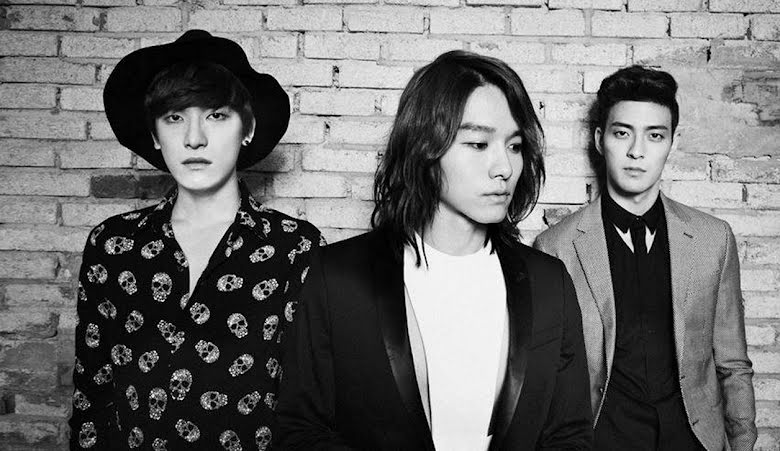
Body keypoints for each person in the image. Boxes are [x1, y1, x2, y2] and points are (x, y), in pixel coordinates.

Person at [276, 50, 593, 450]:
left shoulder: (549, 282)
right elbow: (298, 432)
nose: (504, 168)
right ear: (425, 147)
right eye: (478, 144)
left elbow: (569, 435)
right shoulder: (337, 276)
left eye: (514, 146)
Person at [68, 30, 322, 450]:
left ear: (248, 128)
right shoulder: (113, 245)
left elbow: (311, 405)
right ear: (154, 135)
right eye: (174, 117)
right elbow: (91, 397)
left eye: (216, 115)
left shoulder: (294, 247)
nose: (194, 138)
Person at [535, 65, 756, 451]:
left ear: (673, 142)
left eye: (655, 135)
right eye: (622, 133)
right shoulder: (556, 247)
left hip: (693, 440)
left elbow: (732, 362)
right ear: (599, 139)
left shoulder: (713, 239)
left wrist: (742, 442)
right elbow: (548, 378)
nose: (637, 152)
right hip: (601, 441)